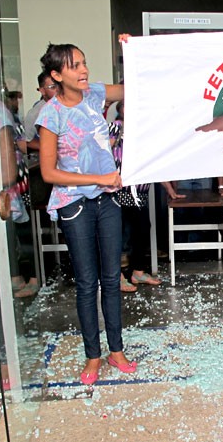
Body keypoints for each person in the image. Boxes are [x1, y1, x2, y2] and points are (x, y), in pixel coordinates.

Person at [36, 40, 136, 385]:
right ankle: (92, 356)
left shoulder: (93, 94)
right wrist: (99, 178)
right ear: (56, 74)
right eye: (74, 66)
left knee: (111, 279)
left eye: (84, 62)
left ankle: (116, 350)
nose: (83, 70)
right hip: (73, 203)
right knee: (86, 283)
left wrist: (131, 52)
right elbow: (49, 173)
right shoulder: (50, 114)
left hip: (107, 200)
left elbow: (132, 88)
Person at [108, 100, 161, 291]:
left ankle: (138, 272)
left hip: (140, 190)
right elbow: (106, 151)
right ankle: (118, 276)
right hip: (121, 189)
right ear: (120, 109)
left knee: (142, 229)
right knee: (120, 233)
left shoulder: (144, 130)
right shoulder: (117, 126)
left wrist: (170, 190)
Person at [23, 71, 58, 152]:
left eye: (60, 85)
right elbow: (27, 141)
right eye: (53, 87)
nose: (58, 90)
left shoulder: (72, 107)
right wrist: (52, 149)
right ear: (42, 91)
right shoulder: (35, 113)